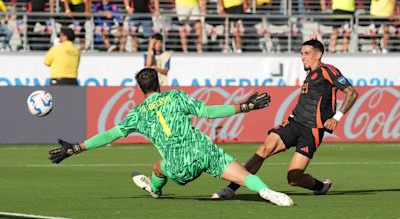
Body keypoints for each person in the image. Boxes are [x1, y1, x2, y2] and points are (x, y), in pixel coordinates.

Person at [48, 68, 293, 207]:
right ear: (159, 83)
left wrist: (77, 147)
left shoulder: (137, 114)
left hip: (178, 165)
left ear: (141, 89)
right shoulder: (176, 96)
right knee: (244, 175)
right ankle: (268, 193)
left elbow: (110, 134)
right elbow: (208, 112)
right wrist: (244, 107)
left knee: (159, 166)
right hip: (203, 151)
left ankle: (155, 190)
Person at [212, 39, 359, 199]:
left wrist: (336, 118)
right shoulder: (310, 72)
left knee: (293, 179)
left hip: (312, 130)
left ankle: (321, 186)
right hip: (294, 123)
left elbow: (352, 93)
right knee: (263, 150)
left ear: (318, 55)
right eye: (301, 53)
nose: (302, 57)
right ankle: (231, 189)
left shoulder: (328, 70)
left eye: (307, 53)